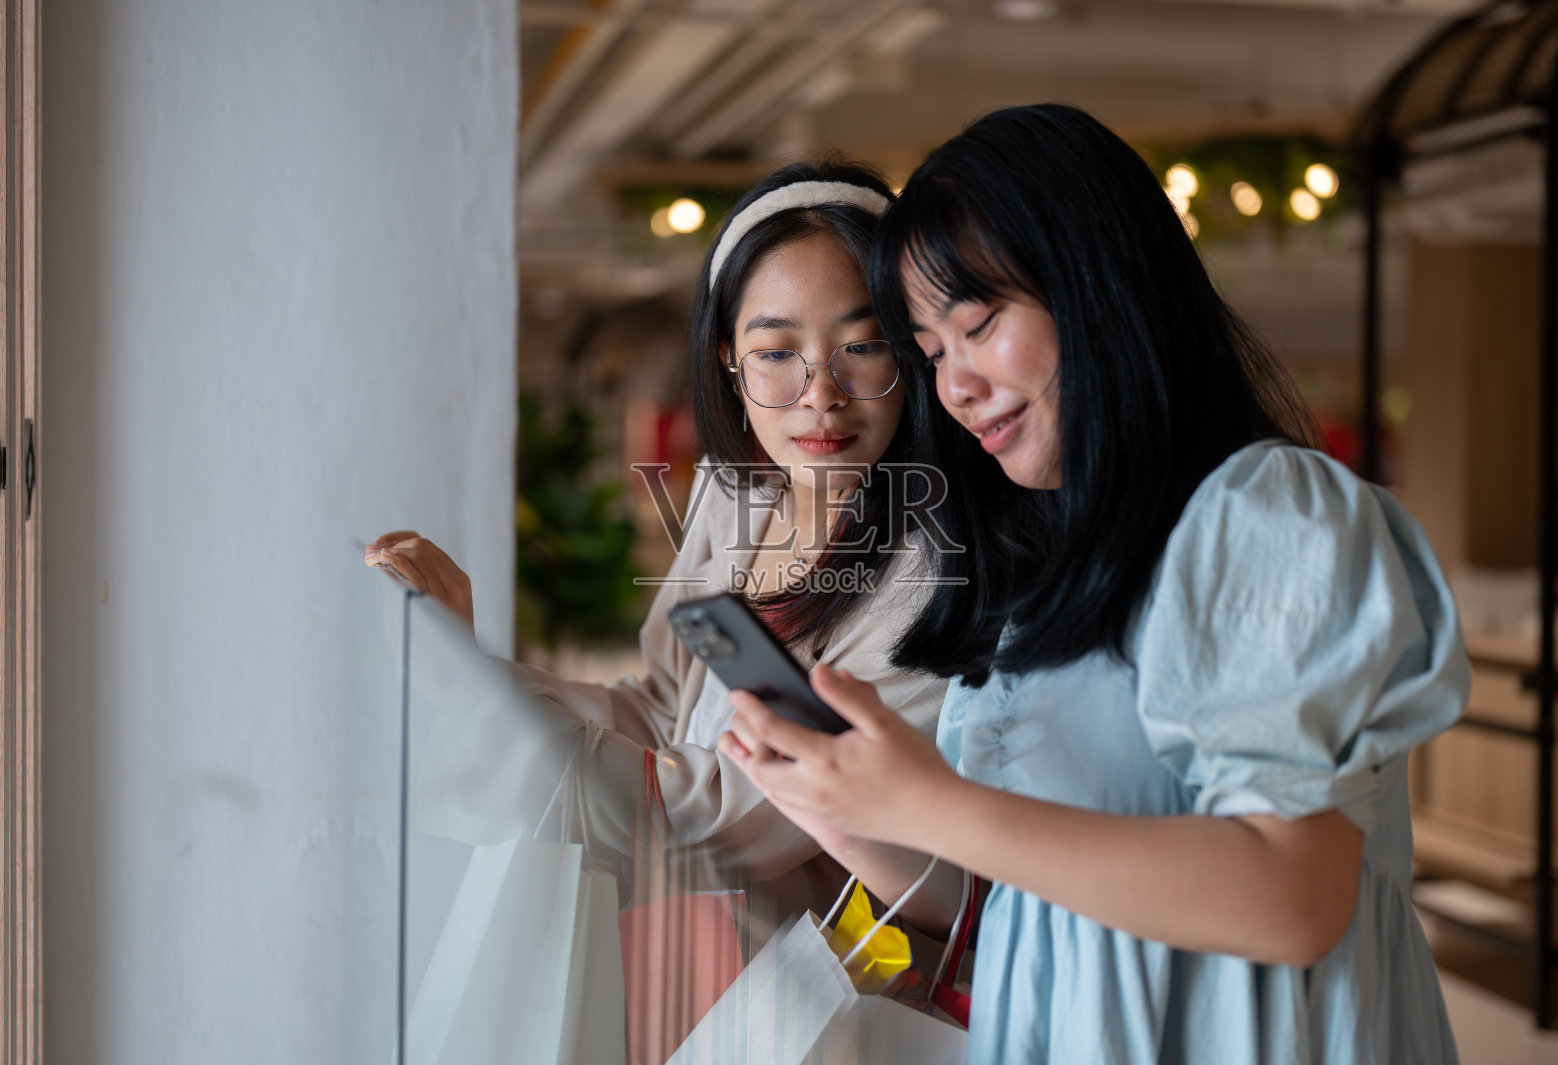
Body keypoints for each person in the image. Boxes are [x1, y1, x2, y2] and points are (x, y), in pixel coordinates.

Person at [721, 104, 1469, 1064]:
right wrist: (841, 800)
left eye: (978, 324)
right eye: (933, 353)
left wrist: (927, 803)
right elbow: (1029, 893)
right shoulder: (1049, 567)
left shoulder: (1266, 513)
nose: (954, 388)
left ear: (1096, 283)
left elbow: (1293, 898)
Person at [367, 158, 949, 935]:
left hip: (807, 988)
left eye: (862, 346)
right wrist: (481, 681)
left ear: (912, 350)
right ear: (726, 358)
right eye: (777, 352)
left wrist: (481, 707)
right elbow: (666, 709)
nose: (821, 394)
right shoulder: (734, 493)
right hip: (680, 946)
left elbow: (727, 817)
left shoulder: (930, 582)